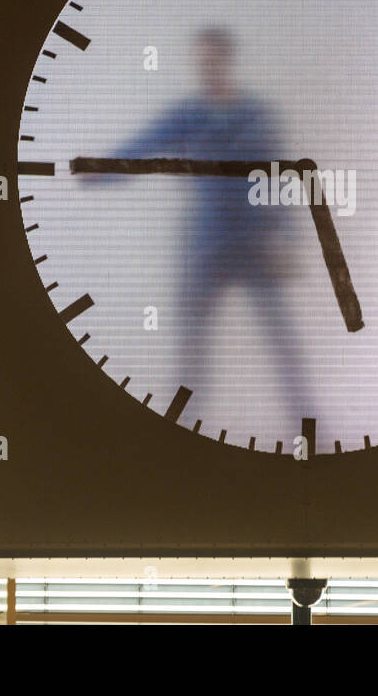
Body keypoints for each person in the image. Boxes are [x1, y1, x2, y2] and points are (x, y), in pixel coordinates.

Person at [98, 28, 312, 429]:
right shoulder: (187, 115)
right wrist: (95, 169)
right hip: (205, 247)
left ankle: (309, 430)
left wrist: (286, 240)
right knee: (192, 351)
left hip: (255, 245)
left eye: (212, 60)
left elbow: (281, 179)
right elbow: (143, 148)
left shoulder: (256, 114)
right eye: (200, 61)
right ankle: (183, 434)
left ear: (227, 61)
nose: (206, 67)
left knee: (284, 344)